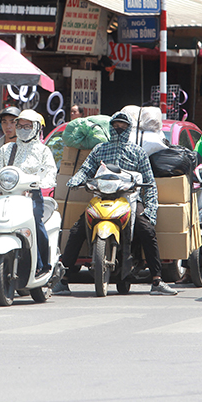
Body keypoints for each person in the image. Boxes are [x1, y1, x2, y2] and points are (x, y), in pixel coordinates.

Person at [53, 110, 178, 296]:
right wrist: (76, 179)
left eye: (123, 126)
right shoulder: (100, 149)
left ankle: (157, 280)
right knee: (77, 230)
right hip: (101, 197)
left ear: (128, 129)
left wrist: (151, 210)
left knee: (147, 230)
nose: (119, 129)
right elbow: (86, 169)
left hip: (130, 199)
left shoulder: (138, 152)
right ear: (110, 127)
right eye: (116, 125)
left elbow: (149, 183)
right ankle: (63, 280)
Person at [0, 109, 57, 304]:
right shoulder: (6, 149)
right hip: (5, 196)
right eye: (20, 126)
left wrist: (41, 182)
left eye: (27, 126)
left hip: (31, 197)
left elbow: (50, 173)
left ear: (36, 128)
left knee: (37, 226)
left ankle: (41, 266)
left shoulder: (43, 151)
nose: (22, 129)